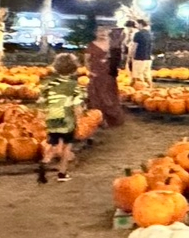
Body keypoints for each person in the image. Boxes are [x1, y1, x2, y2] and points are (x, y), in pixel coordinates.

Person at [37, 54, 84, 184]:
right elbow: (77, 105)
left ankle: (44, 162)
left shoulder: (48, 84)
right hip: (67, 119)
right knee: (67, 146)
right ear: (74, 69)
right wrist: (79, 117)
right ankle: (62, 173)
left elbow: (41, 101)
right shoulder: (73, 85)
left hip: (52, 117)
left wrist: (41, 114)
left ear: (55, 67)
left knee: (52, 143)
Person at [86, 25, 124, 128]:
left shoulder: (112, 44)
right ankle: (100, 119)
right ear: (96, 33)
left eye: (104, 31)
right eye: (100, 31)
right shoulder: (91, 45)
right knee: (98, 95)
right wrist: (90, 71)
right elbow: (87, 60)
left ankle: (111, 118)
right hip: (97, 73)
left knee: (109, 94)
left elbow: (118, 58)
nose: (102, 33)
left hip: (109, 73)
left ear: (108, 32)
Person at [129, 16, 153, 85]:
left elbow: (134, 46)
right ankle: (150, 89)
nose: (136, 26)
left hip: (139, 58)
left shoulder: (138, 34)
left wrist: (131, 56)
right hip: (148, 58)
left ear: (140, 24)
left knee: (137, 76)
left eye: (136, 24)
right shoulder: (149, 34)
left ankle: (140, 91)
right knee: (147, 75)